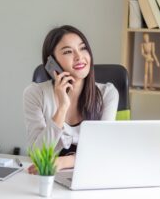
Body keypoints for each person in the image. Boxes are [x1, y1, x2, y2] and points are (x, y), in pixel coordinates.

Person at [23, 25, 119, 174]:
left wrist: (63, 162)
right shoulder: (35, 94)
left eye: (83, 48)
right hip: (47, 178)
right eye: (68, 51)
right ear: (51, 62)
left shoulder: (107, 93)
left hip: (93, 175)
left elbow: (103, 149)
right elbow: (37, 155)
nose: (79, 56)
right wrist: (62, 107)